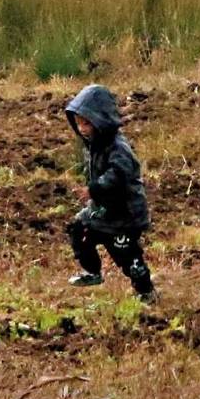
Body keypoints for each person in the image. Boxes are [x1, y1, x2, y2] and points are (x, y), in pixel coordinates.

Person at [63, 84, 154, 300]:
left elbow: (119, 174)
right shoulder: (93, 145)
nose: (82, 129)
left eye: (86, 123)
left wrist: (94, 189)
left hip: (124, 214)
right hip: (102, 209)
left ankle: (146, 291)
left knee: (127, 256)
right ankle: (92, 272)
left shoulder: (118, 147)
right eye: (78, 123)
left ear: (100, 120)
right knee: (79, 229)